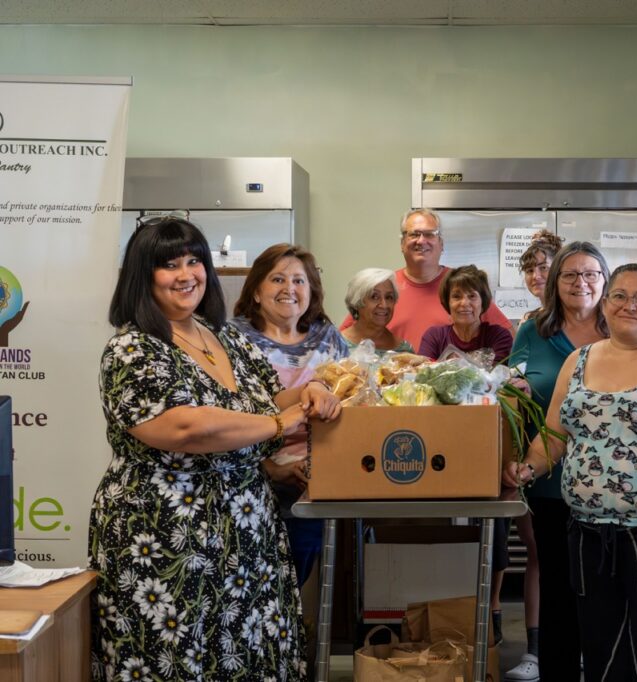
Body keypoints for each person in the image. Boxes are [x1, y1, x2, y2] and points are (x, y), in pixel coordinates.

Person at [90, 216, 340, 681]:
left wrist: (308, 393)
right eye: (169, 266)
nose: (187, 275)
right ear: (142, 276)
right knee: (173, 657)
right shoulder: (132, 347)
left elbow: (267, 396)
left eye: (194, 261)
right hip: (166, 540)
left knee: (250, 652)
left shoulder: (219, 334)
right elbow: (183, 427)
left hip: (246, 533)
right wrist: (275, 423)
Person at [506, 263, 637, 682]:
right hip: (587, 533)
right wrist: (527, 468)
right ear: (605, 305)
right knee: (603, 649)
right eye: (620, 296)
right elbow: (554, 433)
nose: (630, 305)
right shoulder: (578, 361)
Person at [508, 241, 609, 681]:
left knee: (606, 591)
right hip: (548, 480)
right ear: (554, 283)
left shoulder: (622, 329)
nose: (580, 282)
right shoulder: (534, 331)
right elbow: (513, 393)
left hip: (611, 487)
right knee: (558, 587)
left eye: (590, 274)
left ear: (605, 282)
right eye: (570, 275)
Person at [231, 243, 348, 589]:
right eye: (277, 279)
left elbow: (353, 401)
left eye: (299, 280)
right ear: (255, 290)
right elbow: (227, 414)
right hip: (251, 477)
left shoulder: (328, 339)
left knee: (297, 579)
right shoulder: (234, 340)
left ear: (311, 291)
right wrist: (272, 470)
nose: (289, 289)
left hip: (317, 481)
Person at [503, 231, 564, 681]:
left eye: (546, 267)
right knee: (541, 554)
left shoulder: (607, 322)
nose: (538, 276)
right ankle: (538, 652)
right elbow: (514, 384)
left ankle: (586, 645)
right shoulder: (530, 327)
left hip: (602, 466)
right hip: (539, 460)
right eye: (531, 269)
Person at [339, 208, 512, 349]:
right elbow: (344, 337)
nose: (421, 241)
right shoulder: (385, 289)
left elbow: (510, 337)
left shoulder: (462, 287)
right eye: (414, 234)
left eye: (430, 234)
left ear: (441, 244)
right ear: (402, 244)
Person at [418, 265, 513, 364]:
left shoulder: (499, 336)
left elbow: (498, 377)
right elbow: (423, 374)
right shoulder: (435, 336)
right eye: (456, 296)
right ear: (447, 302)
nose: (464, 303)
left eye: (472, 296)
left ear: (483, 301)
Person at [341, 267, 415, 354]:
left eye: (389, 297)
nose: (384, 305)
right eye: (374, 297)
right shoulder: (336, 345)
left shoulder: (404, 351)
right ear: (357, 301)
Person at [518, 229, 565, 320]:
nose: (536, 276)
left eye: (543, 268)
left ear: (559, 269)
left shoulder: (572, 316)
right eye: (529, 270)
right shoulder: (528, 320)